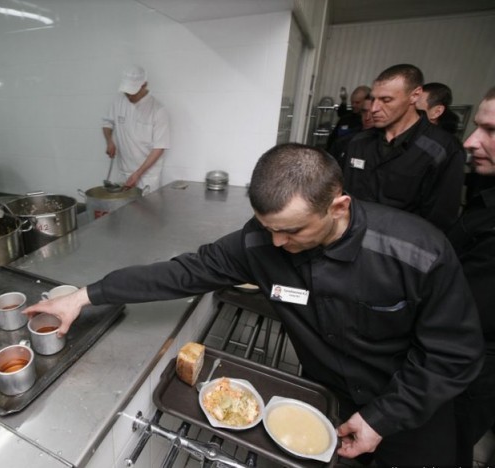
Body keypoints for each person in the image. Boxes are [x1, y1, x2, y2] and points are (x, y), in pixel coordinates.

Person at [24, 142, 484, 466]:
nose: (278, 243)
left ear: (339, 206)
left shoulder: (416, 252)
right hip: (324, 402)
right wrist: (84, 296)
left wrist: (383, 418)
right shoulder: (261, 243)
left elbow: (454, 355)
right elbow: (180, 273)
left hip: (413, 409)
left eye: (293, 230)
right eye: (269, 229)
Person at [342, 64, 466, 231]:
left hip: (401, 244)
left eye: (386, 100)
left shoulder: (442, 149)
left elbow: (439, 220)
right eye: (373, 99)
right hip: (353, 238)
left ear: (415, 95)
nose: (374, 109)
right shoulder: (359, 142)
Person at [447, 87, 495, 466]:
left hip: (469, 371)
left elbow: (468, 312)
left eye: (490, 131)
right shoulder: (485, 195)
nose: (470, 141)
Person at [102, 65, 170, 191]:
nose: (129, 97)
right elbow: (107, 123)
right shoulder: (119, 101)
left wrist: (138, 173)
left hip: (147, 176)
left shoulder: (158, 110)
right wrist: (109, 141)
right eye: (126, 93)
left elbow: (159, 148)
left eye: (132, 93)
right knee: (123, 204)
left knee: (147, 204)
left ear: (144, 85)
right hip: (124, 172)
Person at [329, 93, 374, 169]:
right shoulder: (345, 141)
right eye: (364, 111)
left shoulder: (386, 145)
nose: (367, 117)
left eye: (373, 113)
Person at [326, 85, 371, 151]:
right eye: (352, 102)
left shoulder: (373, 122)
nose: (353, 105)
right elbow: (332, 140)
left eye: (357, 102)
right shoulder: (346, 118)